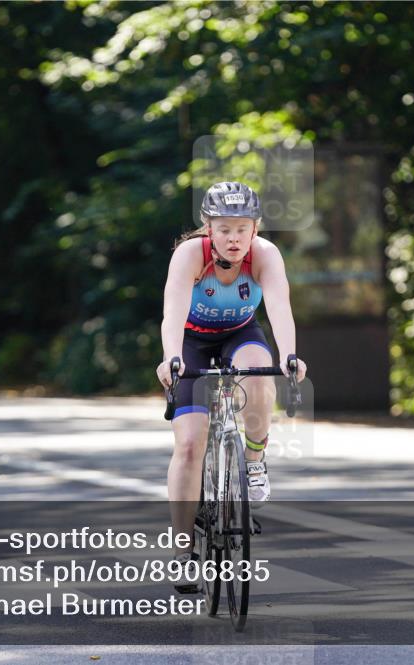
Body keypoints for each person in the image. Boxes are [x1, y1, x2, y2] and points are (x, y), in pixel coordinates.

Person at [156, 181, 307, 589]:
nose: (234, 238)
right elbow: (172, 312)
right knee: (189, 444)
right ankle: (183, 552)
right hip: (191, 341)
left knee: (259, 374)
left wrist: (289, 356)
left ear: (255, 228)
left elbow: (278, 306)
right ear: (208, 228)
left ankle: (255, 463)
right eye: (224, 229)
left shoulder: (265, 255)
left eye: (242, 228)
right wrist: (171, 358)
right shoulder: (190, 255)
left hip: (240, 334)